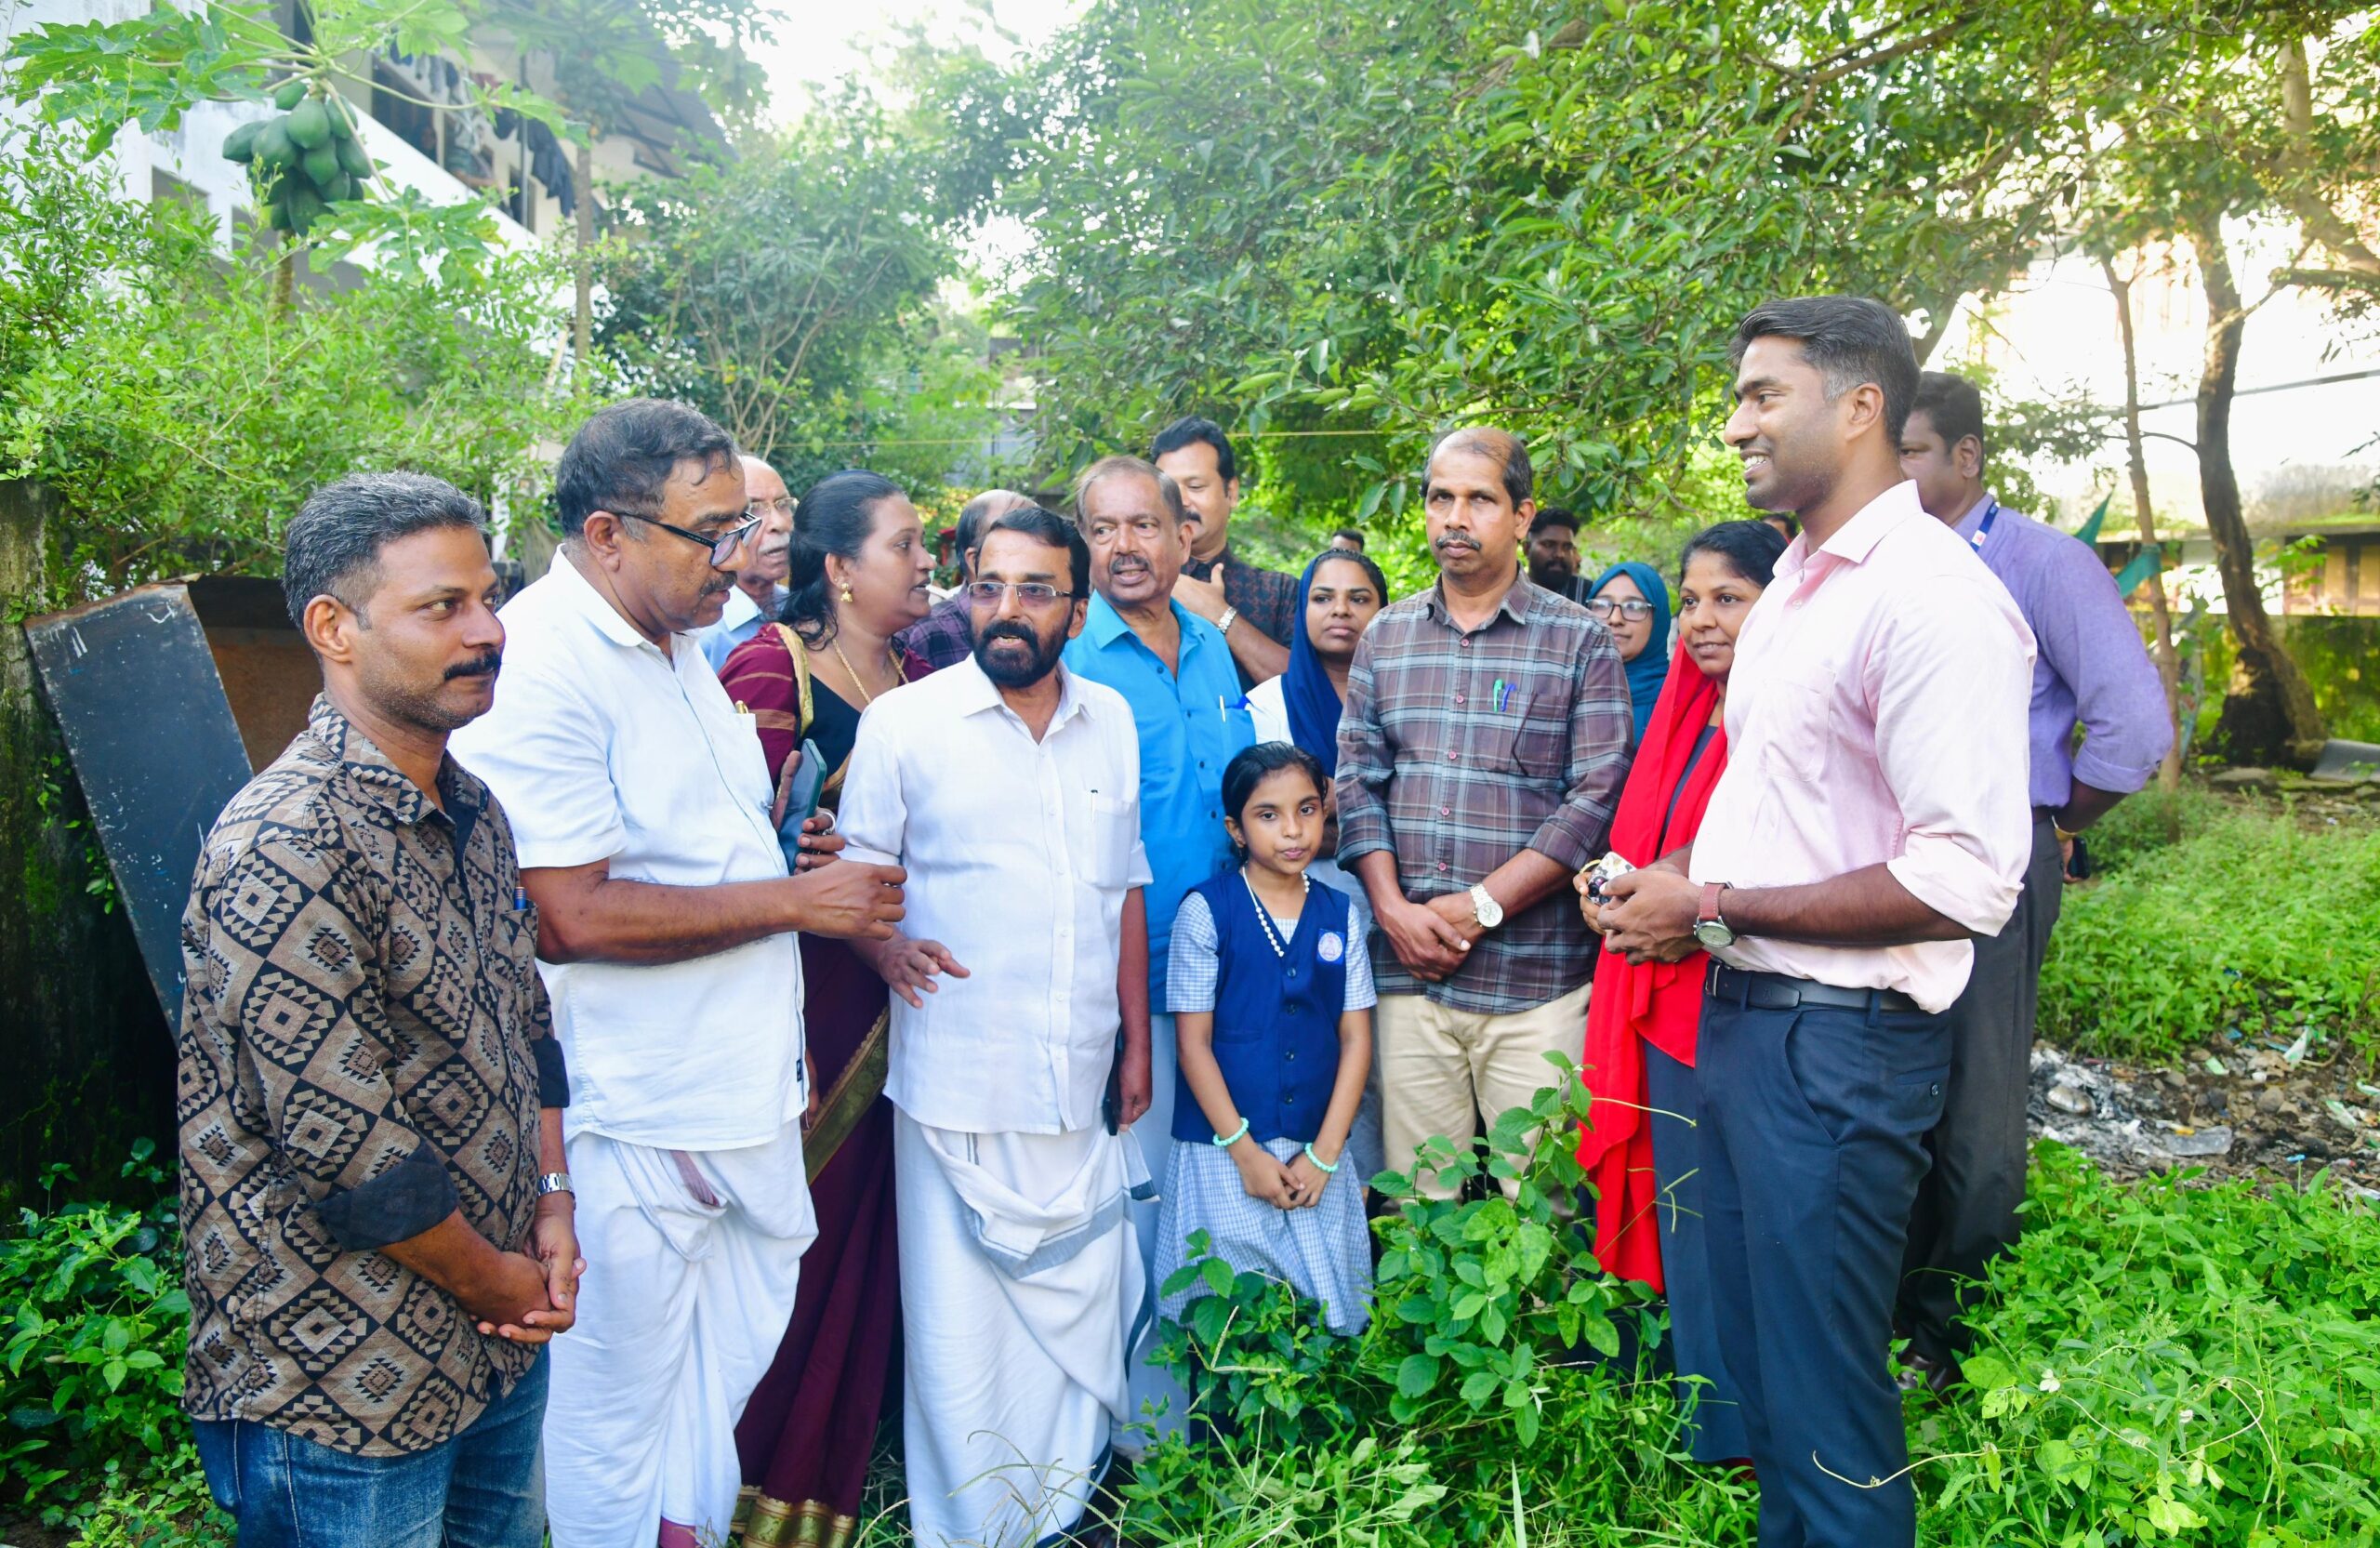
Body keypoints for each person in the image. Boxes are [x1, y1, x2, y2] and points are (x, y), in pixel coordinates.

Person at [1598, 297, 2034, 1548]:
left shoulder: (1931, 598)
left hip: (1840, 1048)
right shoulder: (1794, 582)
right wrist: (1671, 884)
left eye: (1762, 396)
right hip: (1746, 1019)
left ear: (1858, 409)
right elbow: (1784, 806)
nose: (1737, 424)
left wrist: (1709, 906)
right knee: (1769, 1389)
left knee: (1828, 1410)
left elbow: (1964, 879)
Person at [449, 399, 907, 1548]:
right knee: (612, 1420)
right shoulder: (542, 664)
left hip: (736, 1094)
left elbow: (701, 860)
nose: (740, 555)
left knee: (713, 1393)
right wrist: (795, 903)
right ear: (607, 535)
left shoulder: (686, 644)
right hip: (633, 1115)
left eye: (743, 525)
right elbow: (566, 914)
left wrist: (782, 883)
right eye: (710, 533)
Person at [178, 473, 578, 1546]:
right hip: (341, 1380)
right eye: (442, 606)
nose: (488, 631)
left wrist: (552, 1205)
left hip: (495, 1348)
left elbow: (527, 1025)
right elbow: (347, 1151)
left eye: (489, 598)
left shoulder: (473, 809)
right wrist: (501, 1282)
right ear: (333, 629)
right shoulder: (286, 840)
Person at [835, 505, 1152, 1548]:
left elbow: (1127, 886)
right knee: (962, 1330)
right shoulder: (905, 724)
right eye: (988, 587)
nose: (1007, 610)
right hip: (957, 1078)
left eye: (1036, 590)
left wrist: (1138, 1040)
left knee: (1083, 1295)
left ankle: (1065, 1509)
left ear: (1078, 609)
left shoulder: (1111, 719)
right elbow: (854, 889)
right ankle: (974, 1529)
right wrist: (886, 951)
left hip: (1081, 1072)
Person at [1893, 370, 2174, 1381]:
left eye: (1909, 451)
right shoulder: (1880, 560)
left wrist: (2055, 817)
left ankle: (1952, 1334)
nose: (1889, 469)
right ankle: (1887, 1310)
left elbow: (2134, 727)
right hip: (1880, 865)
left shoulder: (2040, 562)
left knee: (1976, 1098)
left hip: (1995, 857)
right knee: (1891, 1080)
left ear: (1966, 457)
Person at [717, 470, 937, 1547]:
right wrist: (798, 848)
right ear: (841, 568)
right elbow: (729, 843)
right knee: (801, 1227)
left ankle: (841, 1473)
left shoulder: (928, 674)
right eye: (906, 544)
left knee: (880, 1229)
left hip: (919, 985)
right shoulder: (774, 666)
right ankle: (745, 1477)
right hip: (813, 994)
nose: (927, 563)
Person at [1336, 427, 1633, 1199]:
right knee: (1419, 1206)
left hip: (1534, 985)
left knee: (1539, 1211)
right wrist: (1392, 910)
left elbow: (1595, 798)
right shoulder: (1387, 636)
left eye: (1479, 499)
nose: (1455, 518)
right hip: (1410, 978)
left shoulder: (1579, 641)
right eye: (1441, 498)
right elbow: (1358, 783)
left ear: (1522, 515)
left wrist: (1480, 906)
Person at [1573, 519, 1786, 1468]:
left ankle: (1740, 1435)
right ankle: (1694, 1408)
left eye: (1727, 599)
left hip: (1736, 998)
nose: (1701, 619)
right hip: (1659, 993)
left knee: (1731, 1222)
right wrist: (1608, 886)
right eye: (1690, 600)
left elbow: (1764, 859)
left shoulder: (1783, 716)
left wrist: (1672, 904)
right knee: (1683, 1213)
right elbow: (1645, 837)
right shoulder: (1685, 706)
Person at [1060, 454, 1254, 1436]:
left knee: (1214, 1191)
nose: (1125, 547)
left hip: (1230, 968)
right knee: (1135, 1204)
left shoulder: (1211, 647)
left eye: (1144, 525)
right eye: (1103, 529)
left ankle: (1219, 1408)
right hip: (1126, 978)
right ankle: (1141, 1438)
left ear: (1186, 536)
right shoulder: (1071, 657)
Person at [1157, 743, 1376, 1342]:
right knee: (1233, 1326)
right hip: (1226, 1151)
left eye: (1306, 809)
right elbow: (1193, 1045)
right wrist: (1246, 1153)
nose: (1293, 830)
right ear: (1236, 829)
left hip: (1316, 1151)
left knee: (1322, 1325)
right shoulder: (1206, 912)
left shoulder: (1340, 913)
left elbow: (1356, 1038)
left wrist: (1325, 1155)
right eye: (1268, 815)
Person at [1153, 416, 1298, 686]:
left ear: (1231, 492)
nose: (1181, 501)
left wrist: (1220, 615)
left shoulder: (1280, 593)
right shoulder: (1131, 584)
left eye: (1195, 487)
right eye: (1168, 490)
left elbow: (1308, 692)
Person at [896, 487, 1036, 673]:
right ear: (975, 559)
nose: (1036, 550)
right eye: (1017, 539)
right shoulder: (925, 637)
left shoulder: (1051, 621)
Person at [697, 456, 795, 671]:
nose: (778, 523)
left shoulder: (801, 610)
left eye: (782, 504)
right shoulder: (700, 636)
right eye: (753, 509)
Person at [1586, 561, 1674, 744]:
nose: (1615, 619)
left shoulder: (1681, 701)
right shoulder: (1568, 689)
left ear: (1658, 620)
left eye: (1634, 606)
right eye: (1602, 605)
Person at [1526, 507, 1593, 603]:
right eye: (1549, 545)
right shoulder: (1508, 590)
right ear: (1527, 549)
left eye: (1567, 547)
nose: (1559, 554)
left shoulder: (1589, 593)